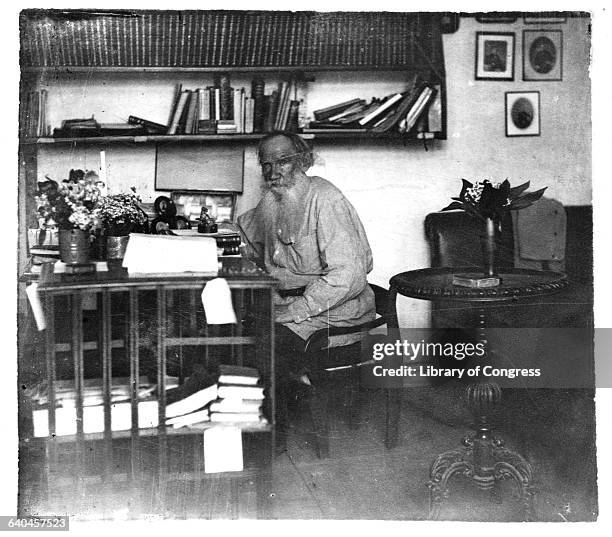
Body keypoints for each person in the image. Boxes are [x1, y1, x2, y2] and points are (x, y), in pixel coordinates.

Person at [236, 131, 375, 385]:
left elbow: (349, 275)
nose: (272, 172)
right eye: (266, 164)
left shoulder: (325, 199)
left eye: (282, 162)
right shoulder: (274, 199)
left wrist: (296, 309)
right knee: (229, 334)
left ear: (302, 161)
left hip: (333, 313)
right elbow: (244, 229)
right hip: (290, 306)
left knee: (264, 349)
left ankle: (293, 418)